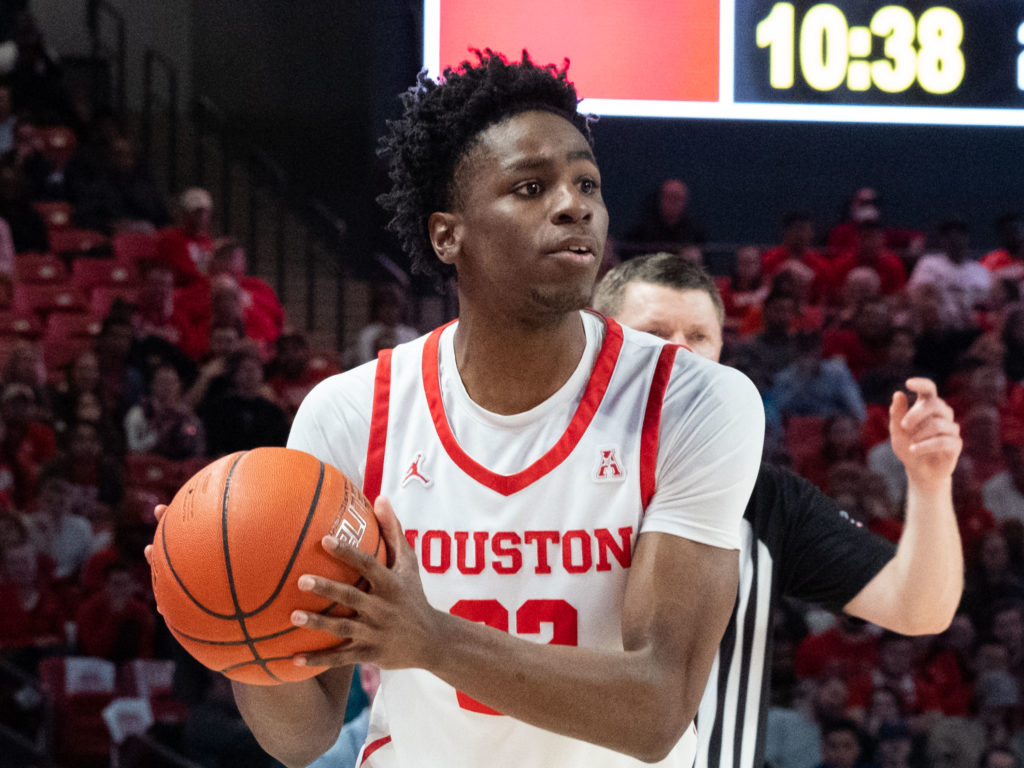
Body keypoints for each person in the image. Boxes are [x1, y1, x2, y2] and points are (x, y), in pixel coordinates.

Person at [206, 51, 764, 767]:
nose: (574, 204)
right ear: (448, 234)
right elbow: (305, 735)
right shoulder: (349, 415)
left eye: (585, 181)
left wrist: (430, 639)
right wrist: (233, 615)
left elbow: (656, 707)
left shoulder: (696, 402)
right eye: (531, 187)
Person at [592, 252, 964, 768]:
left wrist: (929, 482)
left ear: (721, 353)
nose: (678, 353)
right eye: (653, 332)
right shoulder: (545, 481)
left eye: (698, 337)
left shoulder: (769, 500)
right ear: (601, 346)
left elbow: (921, 608)